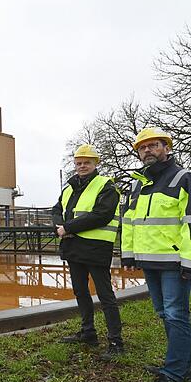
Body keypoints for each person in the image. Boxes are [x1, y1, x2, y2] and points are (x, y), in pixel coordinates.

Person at [121, 128, 191, 382]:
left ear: (166, 148)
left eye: (154, 145)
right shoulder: (138, 184)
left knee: (175, 315)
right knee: (164, 313)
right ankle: (181, 367)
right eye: (142, 147)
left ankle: (173, 376)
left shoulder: (184, 178)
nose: (147, 150)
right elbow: (129, 222)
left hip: (175, 263)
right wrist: (129, 254)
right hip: (150, 261)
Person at [53, 144, 123, 360]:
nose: (82, 166)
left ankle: (116, 342)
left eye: (87, 163)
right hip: (73, 247)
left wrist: (69, 228)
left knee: (105, 295)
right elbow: (56, 209)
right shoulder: (69, 188)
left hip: (95, 248)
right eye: (79, 163)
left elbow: (101, 214)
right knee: (80, 291)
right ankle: (88, 333)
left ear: (95, 164)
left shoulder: (107, 186)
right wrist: (59, 227)